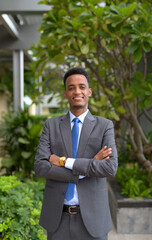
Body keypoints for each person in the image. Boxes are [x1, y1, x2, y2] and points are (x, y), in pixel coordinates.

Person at [34, 67, 118, 240]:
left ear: (89, 91)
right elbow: (41, 167)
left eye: (81, 86)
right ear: (65, 94)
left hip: (93, 220)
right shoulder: (51, 126)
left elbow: (110, 168)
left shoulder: (104, 126)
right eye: (71, 88)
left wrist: (65, 162)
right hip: (58, 220)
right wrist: (89, 165)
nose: (77, 91)